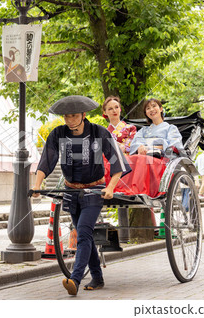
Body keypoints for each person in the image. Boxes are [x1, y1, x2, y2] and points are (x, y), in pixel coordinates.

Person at [31, 95, 131, 296]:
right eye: (66, 116)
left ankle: (75, 279)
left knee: (83, 232)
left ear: (84, 115)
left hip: (95, 190)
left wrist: (110, 187)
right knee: (84, 233)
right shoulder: (58, 133)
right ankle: (98, 277)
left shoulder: (98, 132)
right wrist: (36, 186)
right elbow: (46, 161)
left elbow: (117, 163)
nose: (70, 120)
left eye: (74, 116)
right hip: (71, 190)